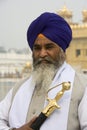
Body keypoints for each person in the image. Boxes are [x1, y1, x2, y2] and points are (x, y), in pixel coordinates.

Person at [0, 12, 87, 130]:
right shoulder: (19, 88)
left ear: (62, 50)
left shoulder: (82, 87)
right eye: (37, 48)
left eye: (49, 47)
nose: (42, 54)